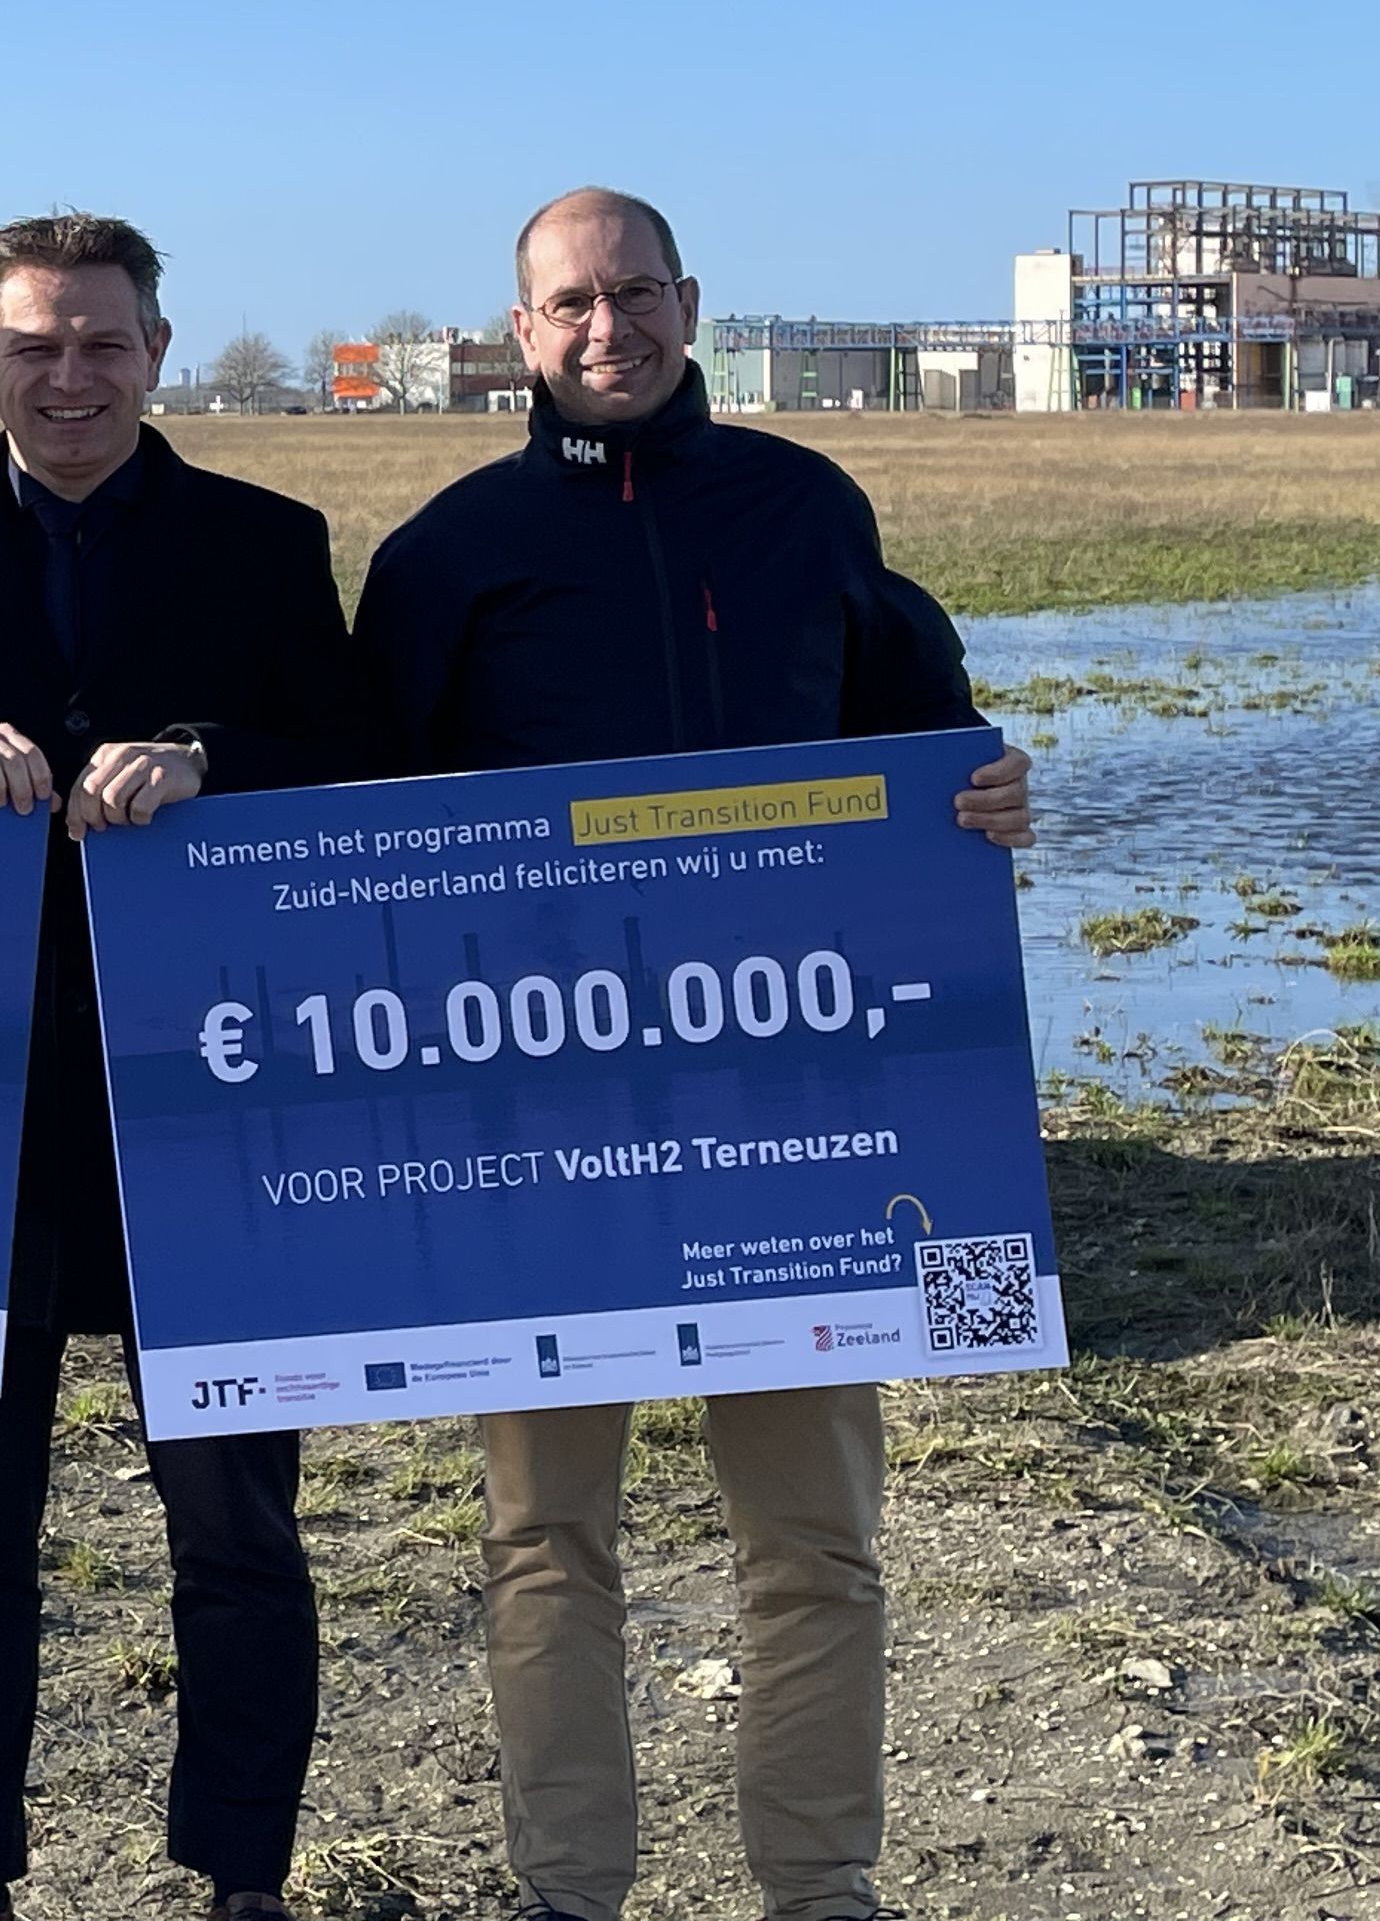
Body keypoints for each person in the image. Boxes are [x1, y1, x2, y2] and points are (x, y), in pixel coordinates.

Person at [354, 187, 1037, 1921]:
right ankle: (569, 1892)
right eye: (571, 304)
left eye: (637, 295)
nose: (609, 331)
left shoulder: (809, 509)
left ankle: (822, 1892)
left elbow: (924, 732)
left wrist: (984, 789)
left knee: (814, 1543)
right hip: (540, 1117)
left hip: (785, 1119)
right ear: (520, 333)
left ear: (691, 304)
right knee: (543, 1539)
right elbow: (349, 832)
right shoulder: (447, 553)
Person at [0, 212, 365, 1921]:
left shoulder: (270, 544)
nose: (71, 375)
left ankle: (244, 1873)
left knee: (242, 1535)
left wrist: (209, 758)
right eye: (35, 344)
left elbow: (360, 765)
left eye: (102, 342)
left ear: (159, 351)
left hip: (217, 1111)